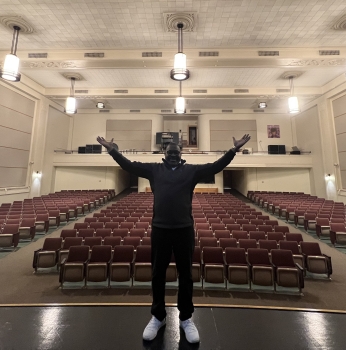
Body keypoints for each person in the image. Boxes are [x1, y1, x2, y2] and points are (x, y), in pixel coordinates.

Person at [96, 134, 251, 343]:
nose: (173, 156)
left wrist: (233, 150)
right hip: (160, 229)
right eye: (169, 153)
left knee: (186, 276)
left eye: (176, 153)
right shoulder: (154, 170)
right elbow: (129, 166)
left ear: (181, 154)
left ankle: (186, 318)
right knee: (157, 274)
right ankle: (158, 317)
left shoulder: (191, 171)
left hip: (184, 229)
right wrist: (112, 150)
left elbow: (215, 167)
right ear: (164, 154)